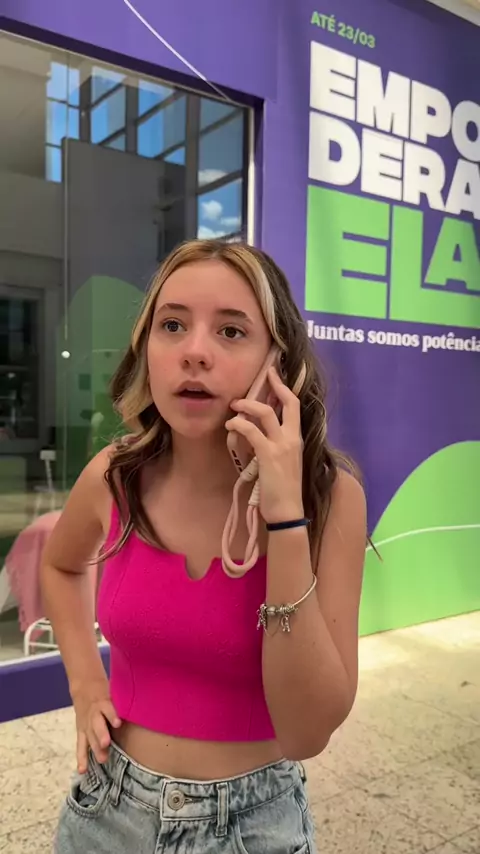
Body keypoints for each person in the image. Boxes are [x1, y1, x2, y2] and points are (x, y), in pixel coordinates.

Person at [41, 239, 367, 854]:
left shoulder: (330, 497)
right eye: (172, 325)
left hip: (251, 825)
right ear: (147, 348)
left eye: (231, 331)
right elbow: (60, 566)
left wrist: (284, 517)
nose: (194, 351)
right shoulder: (116, 475)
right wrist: (86, 684)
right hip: (106, 809)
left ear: (278, 362)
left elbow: (307, 733)